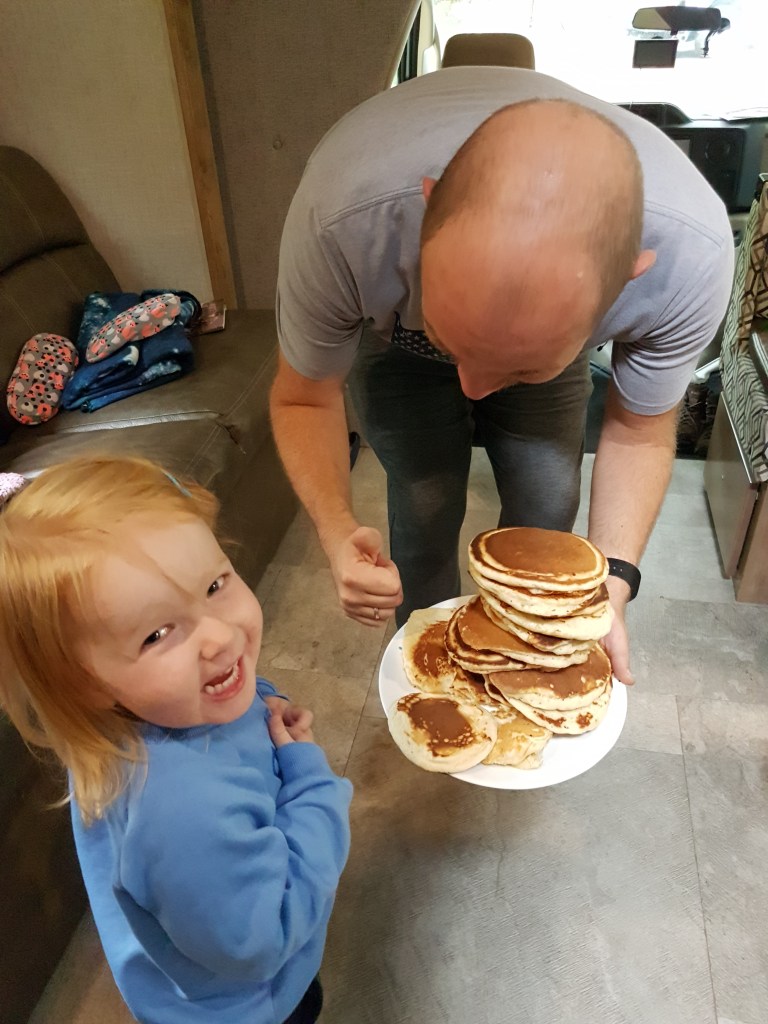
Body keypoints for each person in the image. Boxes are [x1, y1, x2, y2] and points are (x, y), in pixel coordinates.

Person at [270, 66, 734, 685]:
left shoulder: (689, 264)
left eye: (519, 364)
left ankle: (515, 667)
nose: (473, 391)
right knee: (425, 503)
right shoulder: (344, 224)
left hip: (544, 325)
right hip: (396, 343)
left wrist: (612, 586)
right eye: (450, 339)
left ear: (630, 278)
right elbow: (304, 399)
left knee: (548, 501)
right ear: (428, 206)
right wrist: (335, 532)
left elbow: (639, 430)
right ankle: (430, 669)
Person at [0, 457, 352, 1024]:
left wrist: (261, 709)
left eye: (214, 584)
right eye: (157, 634)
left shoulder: (148, 706)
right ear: (83, 684)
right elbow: (266, 937)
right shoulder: (181, 812)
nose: (221, 636)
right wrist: (313, 787)